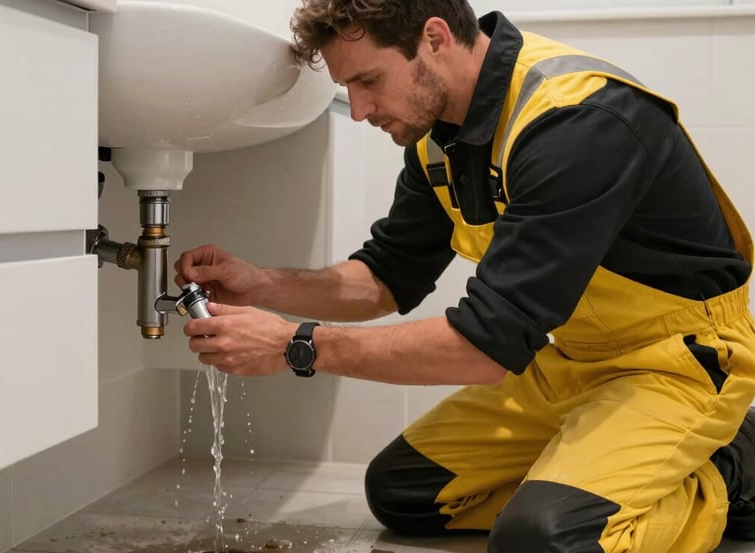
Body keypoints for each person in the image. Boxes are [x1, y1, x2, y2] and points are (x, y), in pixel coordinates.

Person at [174, 1, 755, 551]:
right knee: (403, 491)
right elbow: (384, 277)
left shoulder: (578, 121)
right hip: (576, 364)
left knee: (544, 540)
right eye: (347, 88)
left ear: (434, 38)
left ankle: (733, 466)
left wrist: (295, 346)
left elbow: (485, 348)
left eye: (368, 81)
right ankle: (594, 477)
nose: (357, 109)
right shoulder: (439, 138)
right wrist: (262, 283)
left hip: (679, 363)